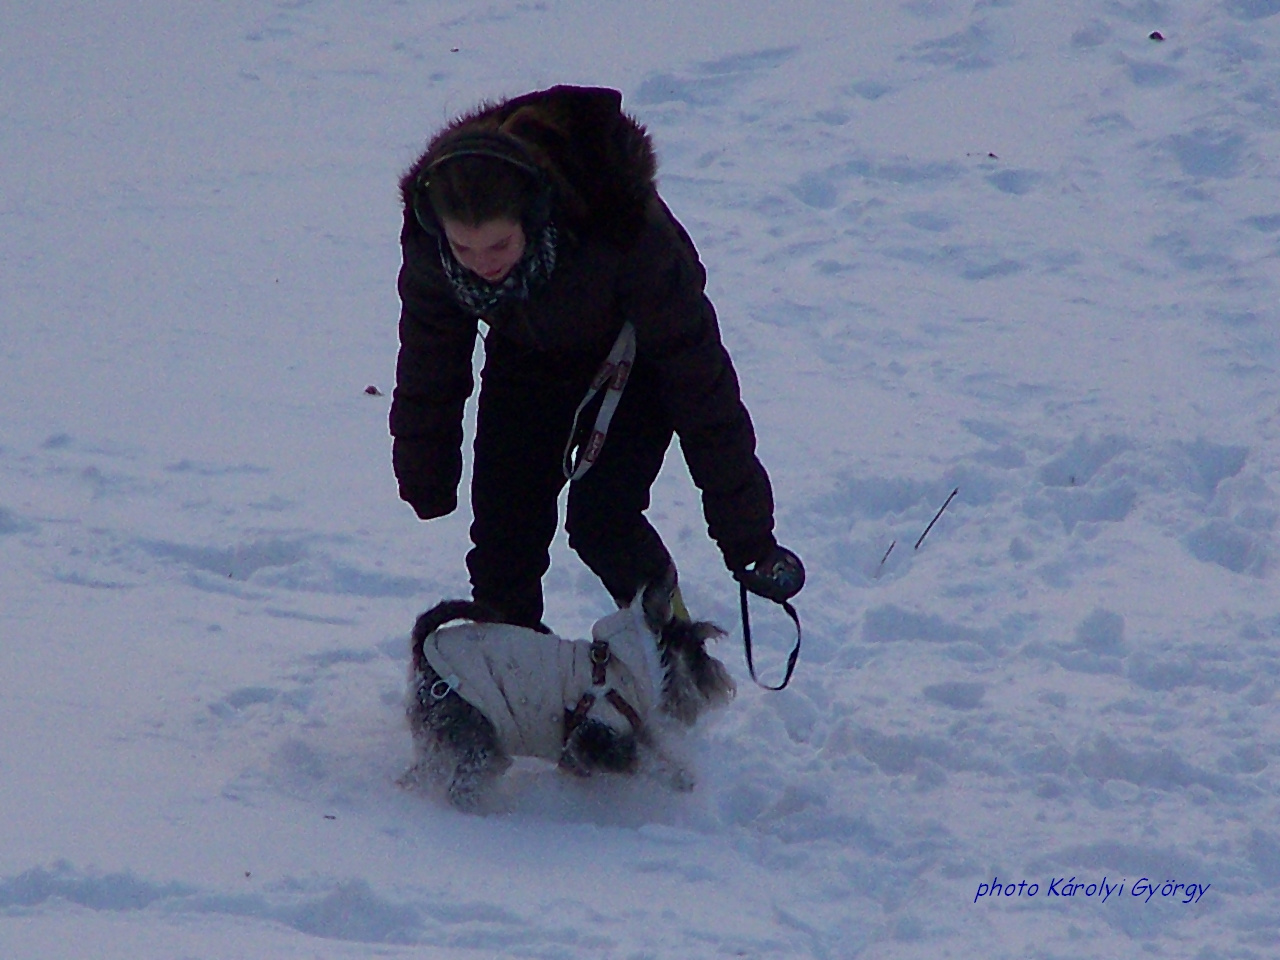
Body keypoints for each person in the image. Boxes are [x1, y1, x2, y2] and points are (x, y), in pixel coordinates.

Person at [391, 84, 803, 630]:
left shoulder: (622, 231)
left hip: (637, 365)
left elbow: (701, 382)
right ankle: (509, 673)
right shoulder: (433, 249)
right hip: (528, 360)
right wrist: (427, 468)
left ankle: (674, 644)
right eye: (464, 248)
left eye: (499, 247)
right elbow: (430, 358)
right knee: (502, 541)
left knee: (603, 523)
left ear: (533, 217)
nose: (480, 265)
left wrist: (746, 535)